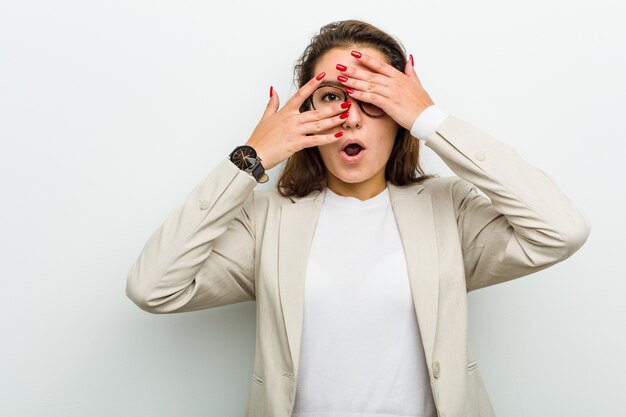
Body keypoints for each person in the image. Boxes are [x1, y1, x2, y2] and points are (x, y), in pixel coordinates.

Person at [126, 19, 590, 417]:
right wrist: (250, 160)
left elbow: (560, 230)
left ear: (399, 113)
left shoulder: (449, 209)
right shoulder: (268, 220)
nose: (350, 118)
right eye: (331, 96)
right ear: (304, 116)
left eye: (373, 94)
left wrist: (430, 120)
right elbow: (153, 288)